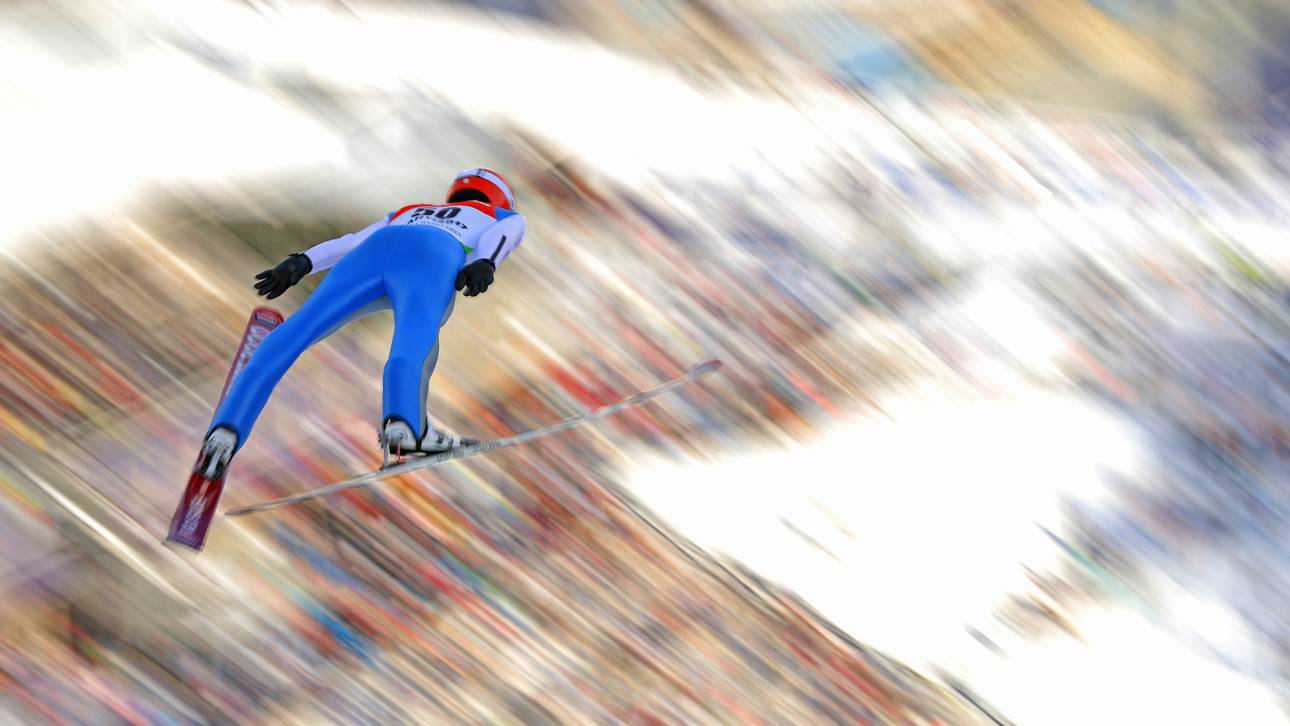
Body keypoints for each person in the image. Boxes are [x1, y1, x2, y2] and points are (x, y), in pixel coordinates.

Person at [198, 168, 526, 476]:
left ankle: (225, 432)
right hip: (433, 254)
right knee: (415, 337)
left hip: (373, 251)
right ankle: (404, 426)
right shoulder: (501, 215)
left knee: (298, 330)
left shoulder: (409, 210)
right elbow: (502, 236)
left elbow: (352, 241)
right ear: (500, 199)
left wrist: (302, 261)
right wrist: (486, 262)